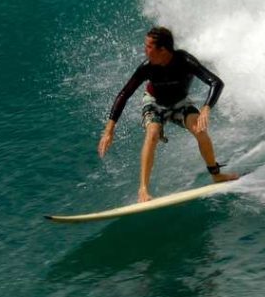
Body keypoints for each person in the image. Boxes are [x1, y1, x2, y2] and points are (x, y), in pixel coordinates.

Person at [98, 26, 239, 202]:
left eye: (149, 47)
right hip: (154, 103)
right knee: (152, 133)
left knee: (200, 131)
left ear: (162, 50)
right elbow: (124, 94)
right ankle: (143, 190)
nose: (144, 50)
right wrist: (109, 129)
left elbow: (216, 83)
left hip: (180, 103)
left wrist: (206, 108)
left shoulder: (184, 61)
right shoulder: (147, 67)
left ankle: (216, 174)